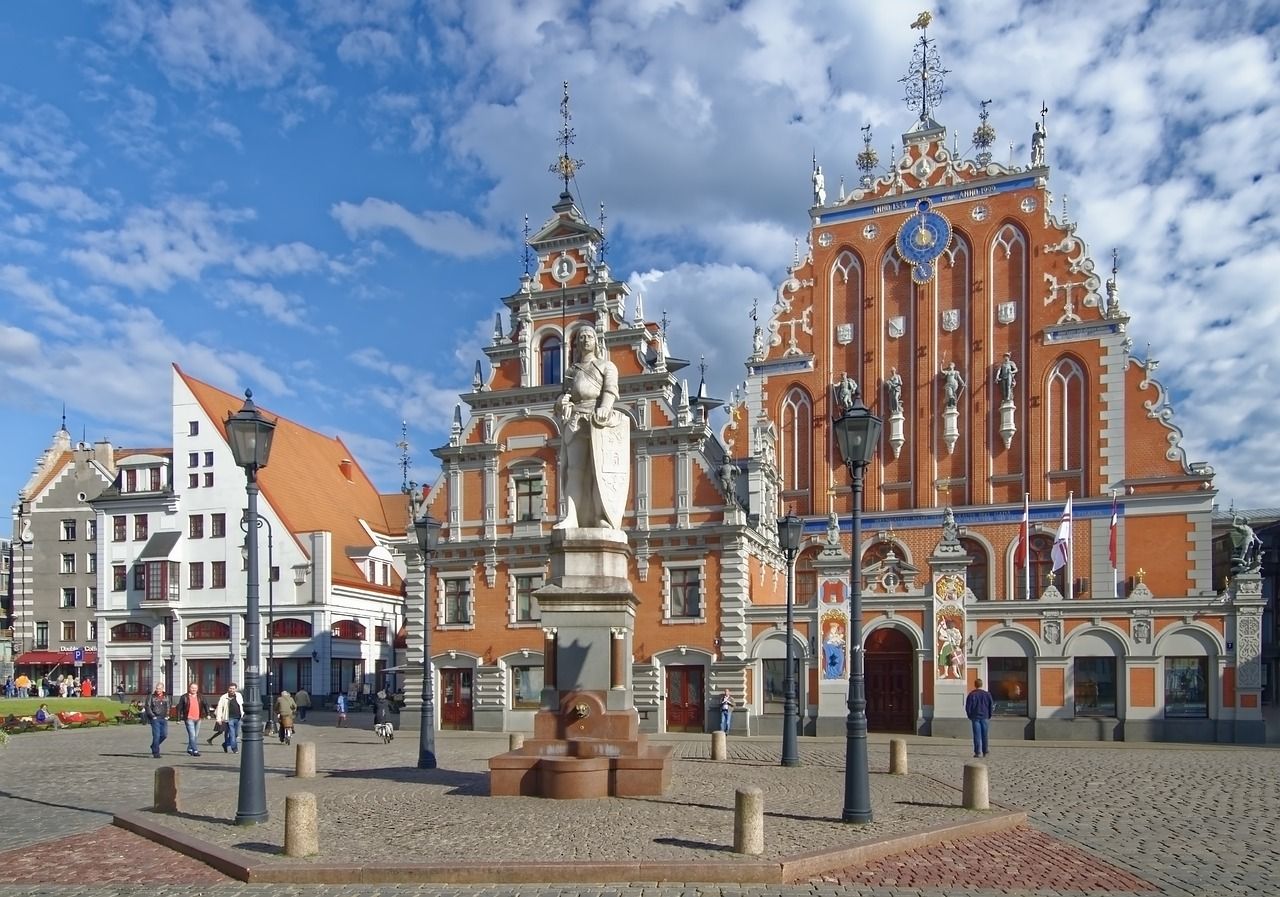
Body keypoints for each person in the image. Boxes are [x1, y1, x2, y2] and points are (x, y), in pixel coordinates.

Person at [555, 327, 629, 530]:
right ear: (576, 343)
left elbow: (610, 390)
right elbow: (563, 397)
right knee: (574, 470)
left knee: (599, 473)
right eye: (581, 337)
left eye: (589, 336)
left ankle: (602, 516)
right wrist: (563, 402)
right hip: (576, 420)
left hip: (598, 422)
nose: (586, 339)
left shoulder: (607, 366)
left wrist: (605, 407)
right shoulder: (571, 371)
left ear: (597, 342)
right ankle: (571, 516)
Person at [176, 682, 208, 757]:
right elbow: (179, 708)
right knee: (192, 735)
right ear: (189, 688)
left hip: (198, 718)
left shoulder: (201, 696)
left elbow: (206, 705)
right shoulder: (184, 697)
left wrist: (208, 714)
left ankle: (189, 749)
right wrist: (178, 719)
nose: (194, 689)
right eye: (192, 688)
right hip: (189, 718)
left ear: (197, 689)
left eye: (195, 688)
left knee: (195, 735)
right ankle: (195, 750)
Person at [965, 678, 994, 758]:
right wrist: (989, 715)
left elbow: (968, 707)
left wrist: (969, 715)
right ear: (982, 684)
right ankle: (985, 751)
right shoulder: (987, 694)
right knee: (985, 735)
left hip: (975, 717)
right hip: (985, 716)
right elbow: (990, 706)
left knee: (977, 735)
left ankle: (978, 752)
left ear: (975, 685)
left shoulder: (971, 694)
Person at [142, 683, 171, 758]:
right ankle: (156, 752)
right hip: (155, 718)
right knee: (156, 735)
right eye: (157, 688)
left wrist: (167, 715)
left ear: (163, 689)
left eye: (160, 688)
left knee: (164, 735)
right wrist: (152, 716)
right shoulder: (151, 696)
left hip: (163, 718)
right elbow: (147, 706)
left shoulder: (166, 696)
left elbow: (168, 706)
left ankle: (154, 745)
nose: (158, 690)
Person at [213, 683, 244, 754]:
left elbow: (242, 705)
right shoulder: (224, 697)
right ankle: (234, 748)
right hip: (229, 718)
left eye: (233, 689)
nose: (232, 690)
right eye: (230, 688)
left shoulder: (239, 695)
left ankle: (225, 744)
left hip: (238, 717)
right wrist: (218, 719)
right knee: (232, 734)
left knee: (236, 734)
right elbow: (220, 708)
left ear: (236, 689)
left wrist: (243, 713)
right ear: (228, 689)